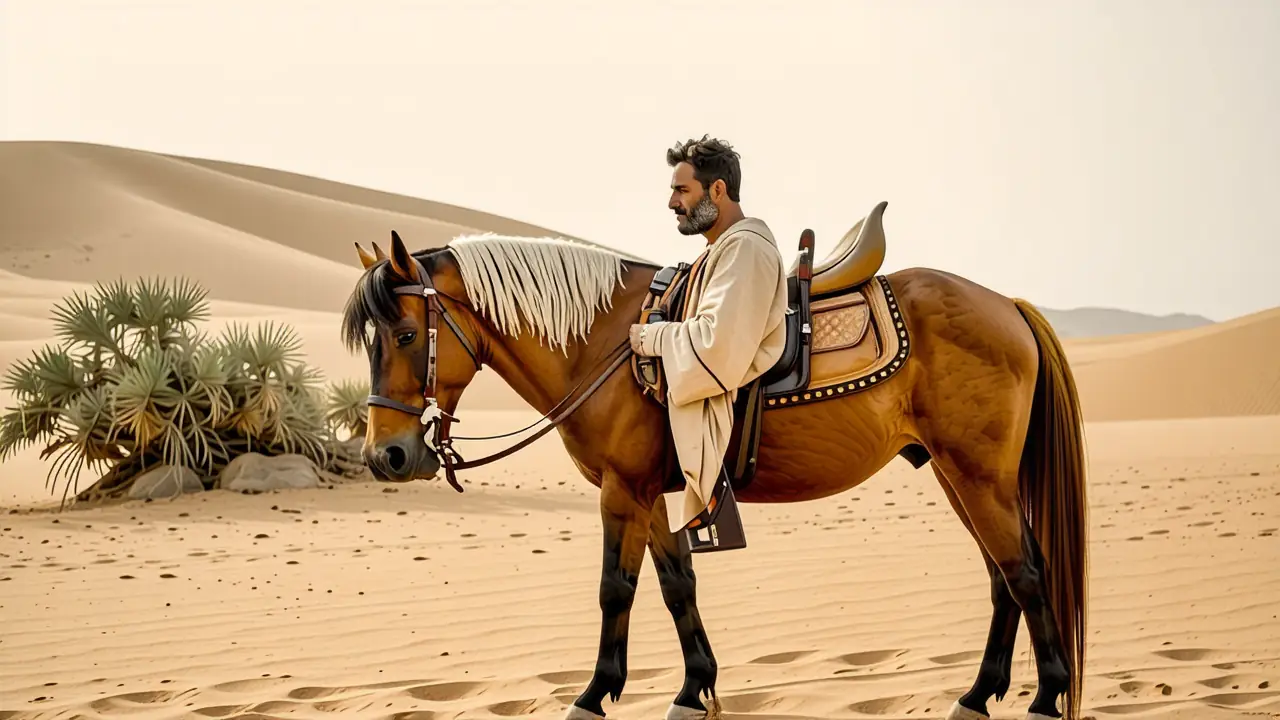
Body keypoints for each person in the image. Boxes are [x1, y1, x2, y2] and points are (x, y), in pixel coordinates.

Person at [628, 135, 790, 544]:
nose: (671, 203)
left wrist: (651, 337)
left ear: (718, 190)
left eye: (682, 190)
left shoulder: (745, 250)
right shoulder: (722, 249)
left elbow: (714, 344)